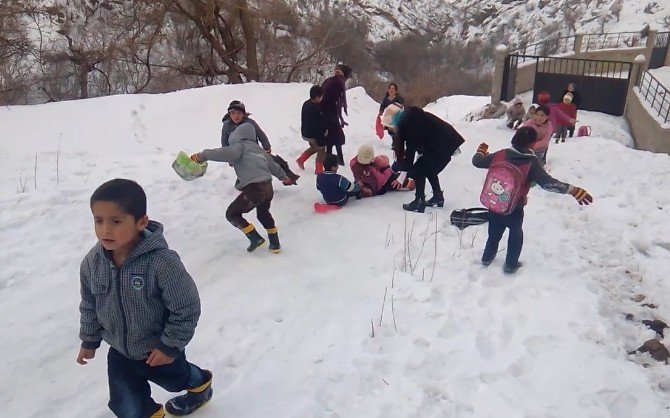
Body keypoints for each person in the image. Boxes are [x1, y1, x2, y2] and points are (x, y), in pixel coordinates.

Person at [78, 179, 212, 418]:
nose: (105, 229)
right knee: (127, 406)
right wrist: (89, 340)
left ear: (141, 222)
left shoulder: (161, 263)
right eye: (98, 220)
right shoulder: (92, 262)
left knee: (177, 380)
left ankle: (200, 384)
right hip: (120, 351)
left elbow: (186, 307)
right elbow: (89, 304)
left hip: (157, 350)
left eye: (116, 221)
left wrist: (170, 345)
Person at [472, 127, 593, 273]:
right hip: (515, 208)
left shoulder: (501, 154)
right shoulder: (531, 162)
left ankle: (487, 258)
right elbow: (548, 184)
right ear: (532, 144)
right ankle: (511, 265)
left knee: (493, 234)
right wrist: (573, 190)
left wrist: (481, 150)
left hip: (494, 204)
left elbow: (477, 162)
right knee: (515, 234)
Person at [191, 123, 292, 253]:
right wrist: (284, 178)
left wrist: (202, 156)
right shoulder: (260, 150)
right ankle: (275, 243)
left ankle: (255, 238)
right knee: (263, 214)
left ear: (236, 136)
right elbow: (274, 167)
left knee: (232, 214)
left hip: (255, 188)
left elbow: (222, 153)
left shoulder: (240, 147)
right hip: (268, 187)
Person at [380, 103, 465, 213]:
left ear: (396, 120)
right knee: (427, 168)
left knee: (418, 170)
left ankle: (419, 201)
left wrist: (402, 176)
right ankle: (438, 197)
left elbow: (410, 150)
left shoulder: (410, 124)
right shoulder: (409, 118)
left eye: (390, 125)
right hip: (440, 143)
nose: (390, 130)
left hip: (443, 144)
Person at [221, 100, 300, 184]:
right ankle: (244, 183)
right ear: (229, 114)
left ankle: (289, 176)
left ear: (243, 114)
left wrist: (267, 147)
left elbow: (260, 134)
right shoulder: (227, 126)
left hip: (254, 151)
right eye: (233, 113)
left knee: (275, 161)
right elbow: (224, 141)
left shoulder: (250, 123)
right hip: (239, 155)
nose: (236, 116)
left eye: (239, 113)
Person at [349, 144, 414, 197]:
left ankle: (360, 187)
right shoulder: (372, 170)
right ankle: (408, 183)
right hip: (377, 187)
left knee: (359, 183)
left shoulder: (353, 163)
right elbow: (382, 180)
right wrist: (388, 170)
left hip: (360, 180)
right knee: (393, 180)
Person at [321, 63, 352, 166]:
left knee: (331, 136)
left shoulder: (331, 80)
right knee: (338, 136)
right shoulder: (338, 81)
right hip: (329, 111)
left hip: (326, 111)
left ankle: (330, 157)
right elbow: (333, 98)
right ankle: (339, 159)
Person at [296, 85, 327, 174]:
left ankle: (301, 160)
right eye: (321, 96)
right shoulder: (315, 109)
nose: (322, 98)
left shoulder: (307, 103)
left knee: (314, 147)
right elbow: (317, 127)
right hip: (313, 135)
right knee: (321, 151)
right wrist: (321, 141)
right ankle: (319, 170)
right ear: (317, 97)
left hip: (306, 133)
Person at [378, 83, 406, 166]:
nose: (391, 90)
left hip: (397, 117)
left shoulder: (398, 98)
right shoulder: (386, 98)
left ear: (396, 91)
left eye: (393, 89)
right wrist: (381, 111)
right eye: (390, 88)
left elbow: (402, 106)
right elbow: (383, 105)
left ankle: (398, 146)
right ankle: (395, 143)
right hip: (389, 117)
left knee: (396, 132)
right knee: (390, 132)